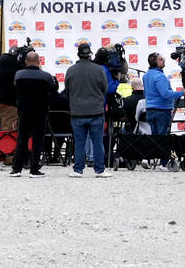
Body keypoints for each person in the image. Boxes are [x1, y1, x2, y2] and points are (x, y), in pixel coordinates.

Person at [65, 43, 111, 177]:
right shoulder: (99, 70)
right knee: (97, 141)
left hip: (77, 112)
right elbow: (105, 89)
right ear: (90, 54)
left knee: (79, 142)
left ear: (78, 54)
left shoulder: (71, 70)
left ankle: (78, 169)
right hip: (96, 111)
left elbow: (67, 90)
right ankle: (100, 170)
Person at [10, 50, 56, 177]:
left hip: (24, 111)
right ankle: (34, 170)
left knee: (21, 139)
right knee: (37, 141)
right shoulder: (46, 76)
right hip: (40, 111)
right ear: (39, 62)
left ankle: (16, 169)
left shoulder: (18, 75)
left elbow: (15, 88)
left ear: (25, 62)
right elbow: (53, 88)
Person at [143, 52, 185, 137]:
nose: (163, 61)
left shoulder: (146, 75)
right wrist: (182, 92)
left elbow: (145, 93)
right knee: (162, 139)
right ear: (154, 62)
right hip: (161, 110)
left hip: (150, 110)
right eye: (161, 59)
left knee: (155, 138)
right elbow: (166, 94)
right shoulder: (160, 76)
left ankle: (157, 150)